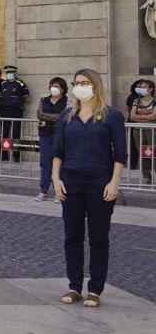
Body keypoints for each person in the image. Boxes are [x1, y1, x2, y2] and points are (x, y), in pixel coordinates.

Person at [53, 69, 125, 309]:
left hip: (100, 183)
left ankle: (95, 289)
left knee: (98, 237)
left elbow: (120, 154)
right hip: (71, 182)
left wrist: (114, 182)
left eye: (85, 83)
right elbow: (57, 152)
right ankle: (74, 285)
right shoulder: (67, 116)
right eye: (77, 83)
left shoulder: (111, 116)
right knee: (72, 236)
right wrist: (56, 179)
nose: (80, 86)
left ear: (96, 85)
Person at [36, 77, 69, 201]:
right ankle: (43, 191)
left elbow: (64, 116)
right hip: (45, 134)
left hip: (60, 135)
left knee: (59, 163)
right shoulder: (43, 100)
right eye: (52, 85)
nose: (54, 88)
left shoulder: (67, 101)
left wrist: (47, 117)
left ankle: (59, 191)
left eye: (58, 86)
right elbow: (39, 114)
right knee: (45, 163)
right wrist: (56, 117)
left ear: (63, 89)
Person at [0, 65, 30, 161]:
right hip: (5, 111)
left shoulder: (20, 83)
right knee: (4, 133)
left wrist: (19, 101)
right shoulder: (3, 84)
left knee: (16, 133)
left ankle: (16, 155)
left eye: (11, 73)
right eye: (8, 73)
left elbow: (27, 96)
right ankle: (4, 155)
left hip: (16, 111)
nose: (9, 74)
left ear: (14, 73)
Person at [128, 78, 156, 185]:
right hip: (138, 130)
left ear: (150, 89)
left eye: (143, 87)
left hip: (152, 131)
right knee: (143, 153)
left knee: (153, 152)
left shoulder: (154, 101)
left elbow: (154, 115)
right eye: (140, 87)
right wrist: (148, 116)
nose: (140, 89)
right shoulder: (136, 101)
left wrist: (140, 115)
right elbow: (132, 116)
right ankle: (146, 176)